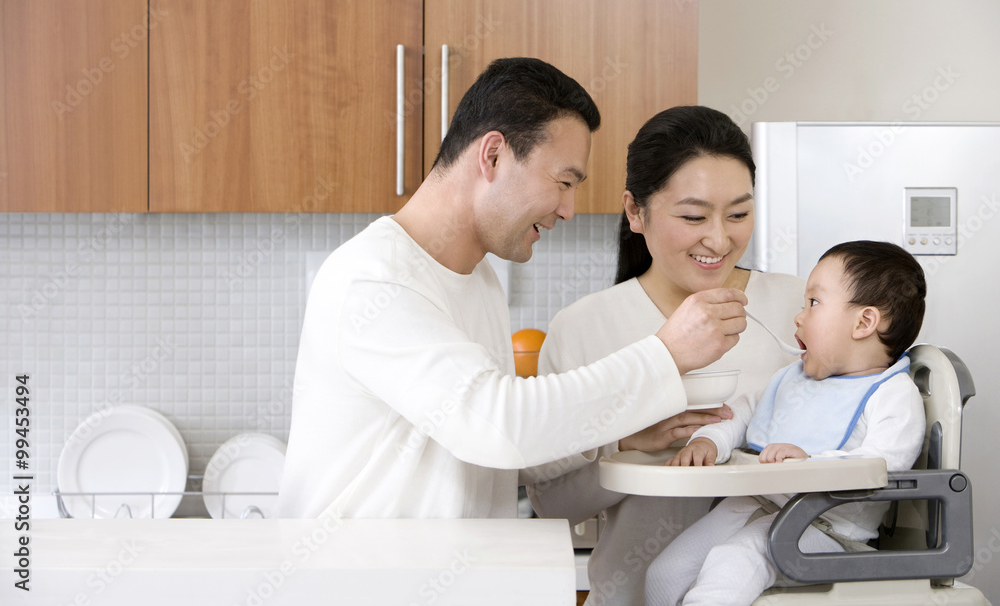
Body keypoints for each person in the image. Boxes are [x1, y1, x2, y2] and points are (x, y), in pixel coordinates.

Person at [276, 59, 749, 520]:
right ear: (494, 155)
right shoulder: (377, 279)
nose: (569, 209)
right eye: (564, 182)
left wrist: (619, 440)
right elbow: (497, 425)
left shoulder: (477, 278)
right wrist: (665, 354)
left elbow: (488, 455)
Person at [523, 105, 806, 606]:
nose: (719, 239)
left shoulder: (799, 311)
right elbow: (554, 505)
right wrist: (628, 440)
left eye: (738, 214)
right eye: (693, 216)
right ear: (636, 211)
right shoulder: (586, 327)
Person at [644, 240, 928, 606]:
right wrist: (709, 441)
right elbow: (744, 411)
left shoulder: (891, 394)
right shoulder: (795, 379)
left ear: (864, 322)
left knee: (734, 561)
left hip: (825, 527)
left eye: (814, 302)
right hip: (755, 504)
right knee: (665, 572)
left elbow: (884, 463)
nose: (799, 316)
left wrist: (809, 465)